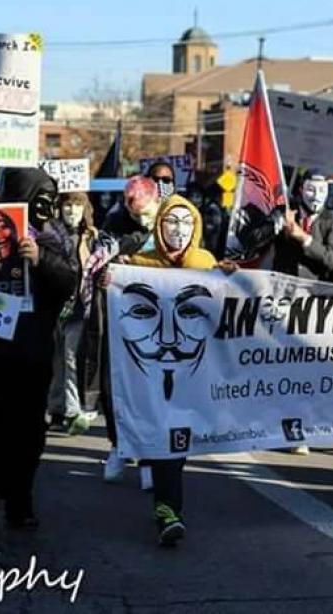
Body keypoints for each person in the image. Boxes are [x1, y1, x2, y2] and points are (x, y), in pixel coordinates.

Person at [0, 167, 76, 546]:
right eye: (36, 194)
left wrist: (41, 259)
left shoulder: (54, 237)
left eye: (49, 196)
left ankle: (18, 500)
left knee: (24, 435)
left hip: (30, 355)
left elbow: (70, 282)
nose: (45, 203)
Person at [124, 193, 220, 546]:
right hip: (151, 369)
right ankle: (168, 511)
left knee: (177, 437)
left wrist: (230, 279)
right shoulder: (138, 264)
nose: (178, 230)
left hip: (192, 369)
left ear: (195, 228)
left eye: (186, 223)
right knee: (166, 435)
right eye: (171, 222)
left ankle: (167, 502)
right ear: (159, 226)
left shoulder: (206, 263)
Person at [273, 174, 333, 455]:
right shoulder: (282, 214)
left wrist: (303, 239)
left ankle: (307, 425)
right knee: (286, 366)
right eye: (311, 188)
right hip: (283, 299)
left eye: (321, 189)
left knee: (310, 368)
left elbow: (331, 259)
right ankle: (289, 426)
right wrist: (275, 225)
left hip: (314, 303)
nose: (316, 195)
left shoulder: (332, 221)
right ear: (300, 189)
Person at [99, 176, 161, 484]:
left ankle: (150, 458)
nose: (142, 219)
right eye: (135, 214)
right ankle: (118, 445)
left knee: (150, 387)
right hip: (121, 313)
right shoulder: (116, 223)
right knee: (114, 383)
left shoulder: (172, 219)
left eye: (146, 212)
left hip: (160, 318)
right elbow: (102, 253)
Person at [47, 191, 98, 435]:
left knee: (71, 359)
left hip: (78, 308)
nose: (72, 211)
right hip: (54, 307)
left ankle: (72, 410)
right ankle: (56, 408)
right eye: (68, 206)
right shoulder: (50, 235)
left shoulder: (91, 237)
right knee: (56, 359)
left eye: (77, 206)